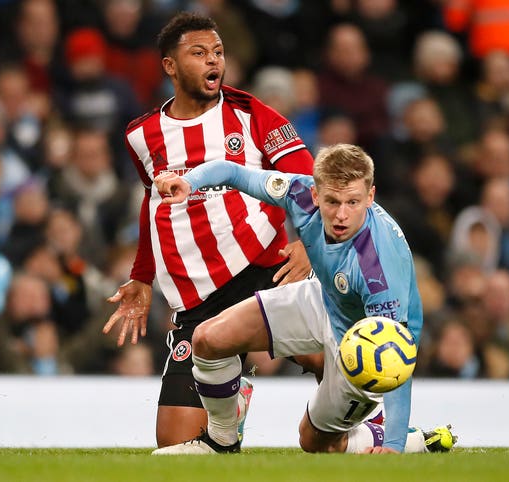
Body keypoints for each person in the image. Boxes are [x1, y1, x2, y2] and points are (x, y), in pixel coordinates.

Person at [102, 12, 320, 448]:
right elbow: (153, 203)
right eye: (198, 53)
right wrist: (142, 276)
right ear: (169, 65)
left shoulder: (252, 114)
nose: (212, 61)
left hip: (265, 273)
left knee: (337, 357)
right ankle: (230, 407)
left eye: (218, 52)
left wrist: (310, 244)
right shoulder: (141, 135)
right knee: (176, 449)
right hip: (197, 298)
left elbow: (308, 180)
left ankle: (389, 430)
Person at [151, 143, 456, 454]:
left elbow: (397, 358)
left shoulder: (377, 268)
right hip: (325, 298)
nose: (341, 214)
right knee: (208, 338)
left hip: (363, 341)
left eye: (353, 202)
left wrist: (393, 446)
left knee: (315, 442)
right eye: (332, 201)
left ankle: (414, 439)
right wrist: (191, 181)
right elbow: (232, 172)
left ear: (371, 196)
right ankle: (221, 442)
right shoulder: (297, 192)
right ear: (314, 195)